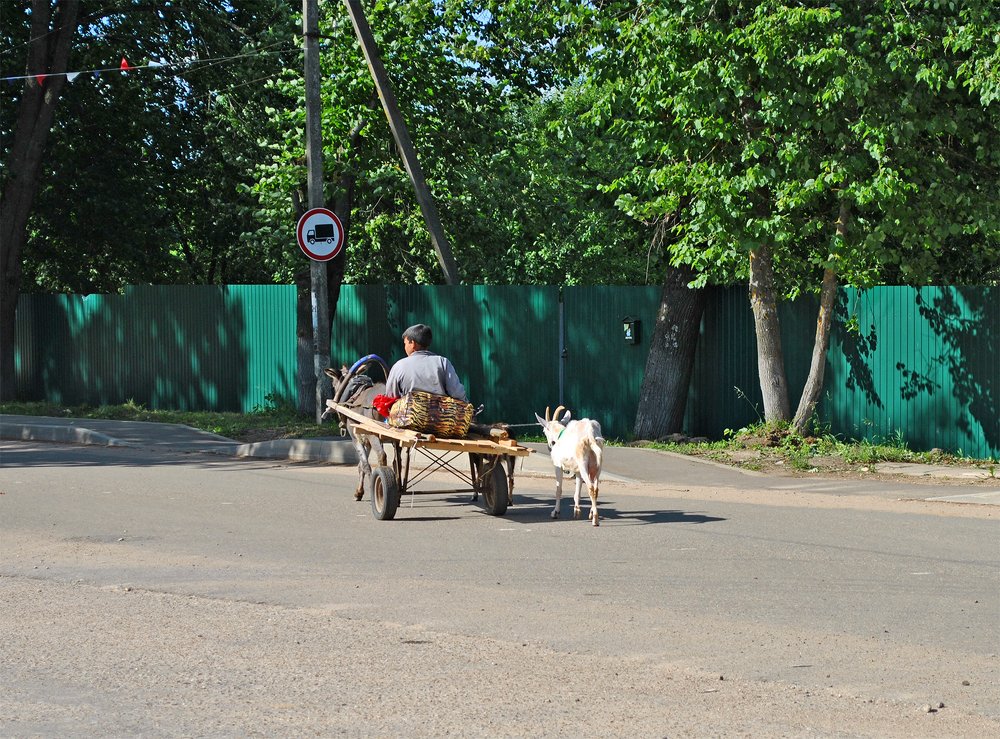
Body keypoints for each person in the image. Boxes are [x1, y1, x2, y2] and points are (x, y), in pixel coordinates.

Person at [384, 323, 468, 402]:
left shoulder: (399, 366)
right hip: (440, 416)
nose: (405, 347)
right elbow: (457, 393)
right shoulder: (442, 362)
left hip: (408, 416)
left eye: (405, 343)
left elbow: (390, 397)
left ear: (412, 343)